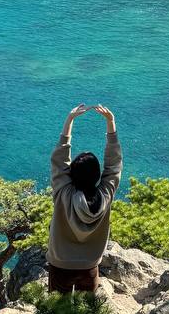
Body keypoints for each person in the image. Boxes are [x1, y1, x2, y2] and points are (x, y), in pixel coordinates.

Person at [47, 103, 123, 294]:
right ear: (97, 175)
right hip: (89, 267)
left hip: (60, 265)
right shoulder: (105, 195)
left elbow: (59, 159)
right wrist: (110, 124)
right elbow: (114, 166)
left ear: (72, 174)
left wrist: (69, 121)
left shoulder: (63, 192)